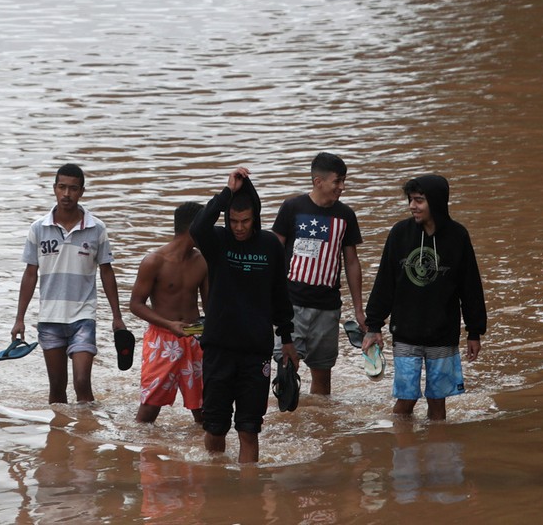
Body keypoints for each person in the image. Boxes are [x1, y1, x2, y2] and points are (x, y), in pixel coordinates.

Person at [189, 166, 298, 463]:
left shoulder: (270, 246)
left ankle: (249, 495)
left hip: (256, 353)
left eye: (245, 221)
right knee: (215, 427)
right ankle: (215, 489)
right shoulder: (217, 241)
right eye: (234, 221)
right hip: (218, 349)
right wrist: (227, 192)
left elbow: (280, 295)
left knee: (249, 430)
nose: (239, 227)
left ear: (256, 218)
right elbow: (197, 228)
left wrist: (287, 339)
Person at [362, 174, 487, 421]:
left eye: (419, 200)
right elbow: (385, 282)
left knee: (438, 403)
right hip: (406, 332)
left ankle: (436, 453)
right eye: (410, 200)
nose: (412, 206)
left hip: (443, 333)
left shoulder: (458, 236)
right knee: (405, 399)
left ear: (437, 202)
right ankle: (402, 454)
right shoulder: (400, 233)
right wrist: (373, 325)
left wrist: (474, 331)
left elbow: (470, 287)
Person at [12, 163, 128, 404]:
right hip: (50, 318)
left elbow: (107, 271)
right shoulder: (38, 228)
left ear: (81, 192)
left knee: (82, 382)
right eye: (62, 187)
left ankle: (88, 436)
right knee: (57, 388)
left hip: (83, 316)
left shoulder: (96, 228)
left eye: (73, 189)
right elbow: (30, 274)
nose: (67, 194)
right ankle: (60, 437)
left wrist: (117, 317)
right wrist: (19, 319)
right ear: (54, 189)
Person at [270, 151, 367, 396]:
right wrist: (266, 296)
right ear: (318, 182)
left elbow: (352, 262)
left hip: (327, 307)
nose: (342, 187)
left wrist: (358, 309)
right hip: (291, 305)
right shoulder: (292, 207)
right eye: (337, 181)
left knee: (323, 376)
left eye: (344, 181)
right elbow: (271, 251)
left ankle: (321, 427)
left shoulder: (346, 215)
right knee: (286, 370)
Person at [130, 201, 209, 424]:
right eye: (207, 224)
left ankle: (207, 458)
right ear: (195, 227)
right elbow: (136, 304)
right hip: (163, 339)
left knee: (204, 410)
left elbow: (210, 306)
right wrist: (168, 324)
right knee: (149, 409)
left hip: (195, 336)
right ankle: (142, 455)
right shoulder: (154, 261)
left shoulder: (202, 261)